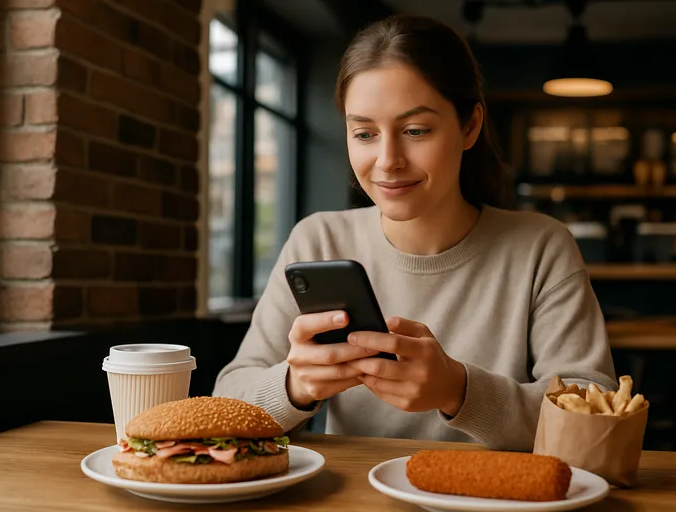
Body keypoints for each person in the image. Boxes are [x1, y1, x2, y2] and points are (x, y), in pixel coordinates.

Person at [213, 14, 616, 451]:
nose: (388, 160)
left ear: (470, 126)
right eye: (364, 133)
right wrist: (294, 386)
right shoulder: (318, 239)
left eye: (415, 130)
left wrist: (459, 391)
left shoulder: (541, 247)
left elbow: (594, 413)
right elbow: (227, 401)